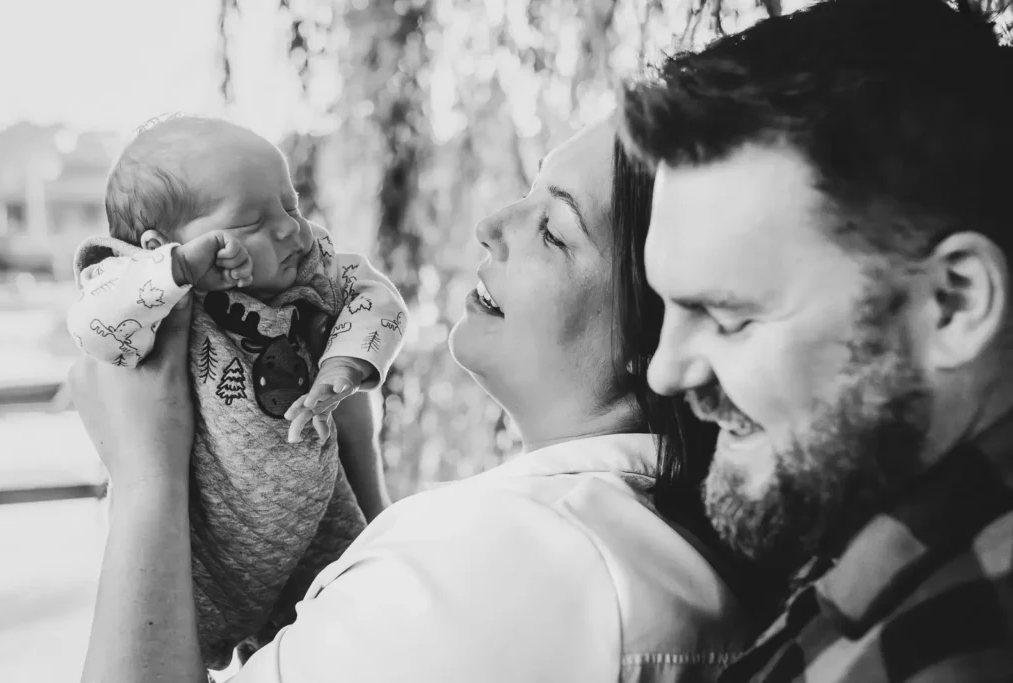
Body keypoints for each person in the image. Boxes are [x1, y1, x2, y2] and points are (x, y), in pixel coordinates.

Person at [68, 117, 762, 683]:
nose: (493, 222)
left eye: (555, 228)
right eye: (528, 191)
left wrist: (145, 478)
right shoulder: (645, 531)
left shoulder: (509, 559)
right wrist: (354, 446)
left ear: (666, 332)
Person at [618, 0, 1013, 680]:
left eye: (728, 316)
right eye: (668, 306)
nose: (665, 371)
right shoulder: (870, 539)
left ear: (953, 303)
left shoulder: (957, 650)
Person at [66, 115, 409, 667]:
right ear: (166, 246)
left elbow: (377, 296)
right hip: (203, 554)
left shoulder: (310, 270)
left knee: (363, 633)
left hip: (321, 525)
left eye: (291, 205)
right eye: (253, 220)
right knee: (162, 655)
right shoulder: (149, 294)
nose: (290, 230)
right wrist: (176, 271)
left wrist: (342, 367)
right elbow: (92, 325)